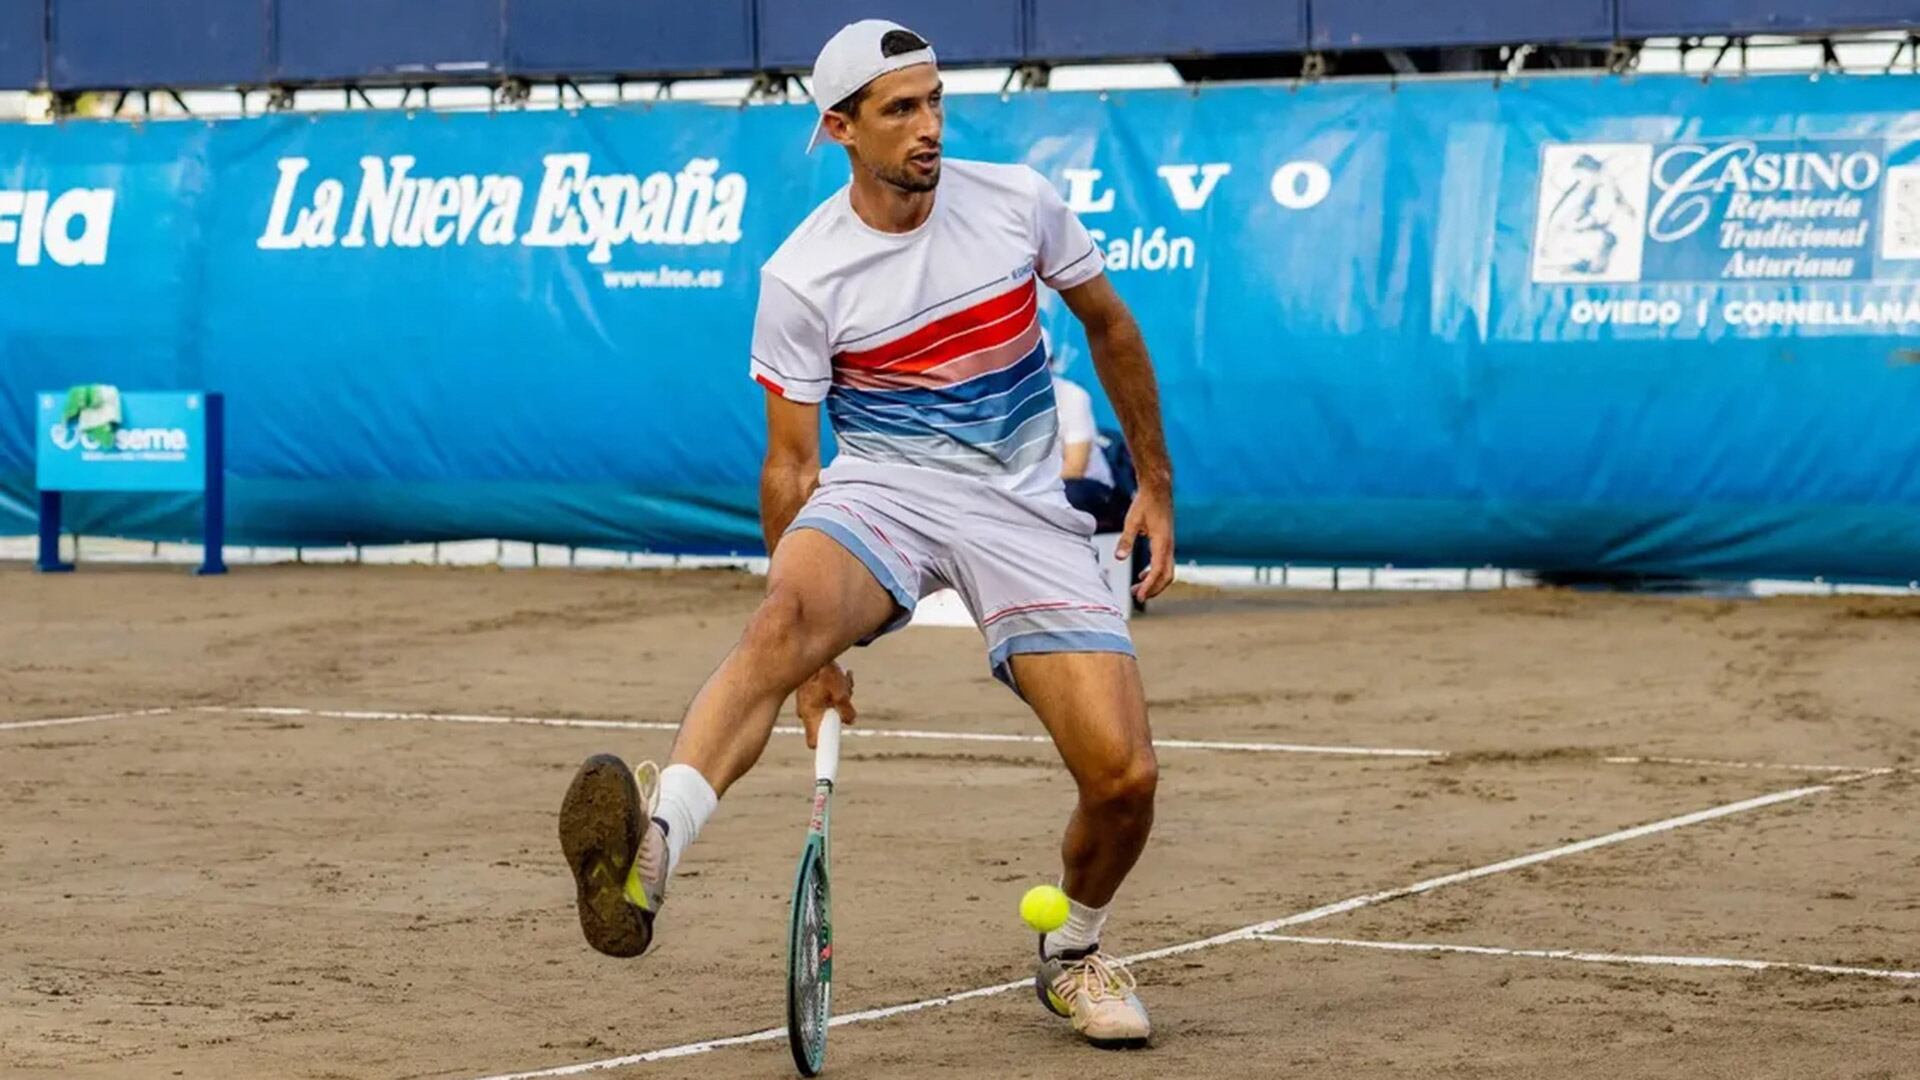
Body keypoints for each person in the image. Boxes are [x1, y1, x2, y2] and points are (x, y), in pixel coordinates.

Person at [556, 18, 1177, 1050]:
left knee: (1125, 780)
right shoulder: (803, 276)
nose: (929, 126)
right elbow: (793, 468)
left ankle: (1074, 949)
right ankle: (651, 854)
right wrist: (812, 668)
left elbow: (1109, 324)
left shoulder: (1019, 203)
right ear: (841, 127)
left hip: (1023, 505)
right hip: (884, 486)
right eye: (901, 110)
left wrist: (1152, 483)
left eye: (935, 101)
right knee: (782, 624)